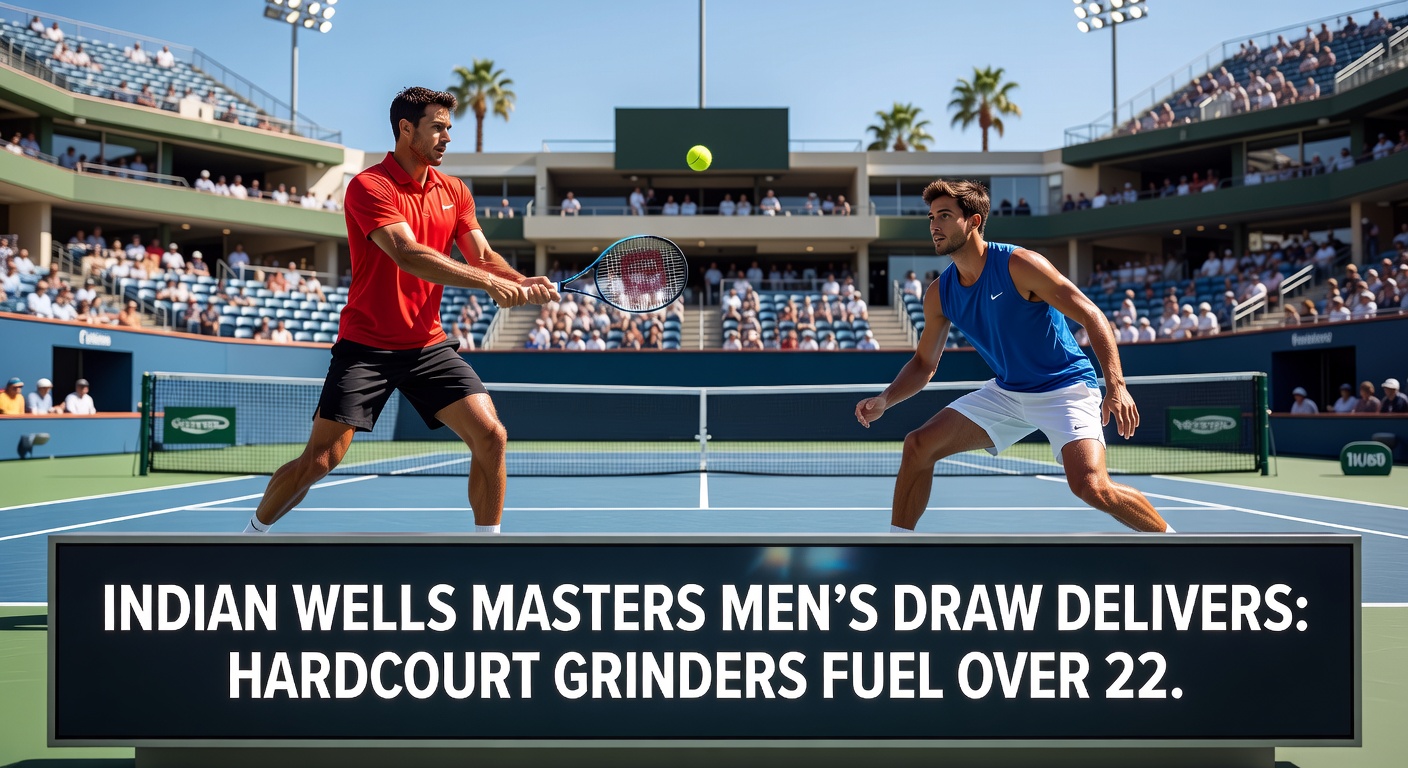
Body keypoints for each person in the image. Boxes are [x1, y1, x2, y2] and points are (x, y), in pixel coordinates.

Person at [242, 86, 557, 536]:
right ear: (406, 128)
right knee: (320, 460)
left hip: (428, 346)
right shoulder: (369, 186)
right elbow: (407, 253)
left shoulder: (455, 191)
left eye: (449, 128)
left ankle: (488, 550)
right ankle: (252, 535)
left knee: (491, 435)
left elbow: (484, 256)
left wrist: (518, 281)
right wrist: (490, 283)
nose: (447, 137)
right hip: (366, 348)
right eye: (438, 128)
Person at [855, 179, 1172, 534]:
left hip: (1065, 388)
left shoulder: (1019, 264)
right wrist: (886, 399)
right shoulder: (939, 294)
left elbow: (1092, 315)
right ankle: (898, 546)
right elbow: (924, 364)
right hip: (1008, 392)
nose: (934, 225)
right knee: (917, 445)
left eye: (944, 215)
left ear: (973, 221)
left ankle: (1173, 542)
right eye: (931, 217)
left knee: (1091, 486)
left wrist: (1116, 385)